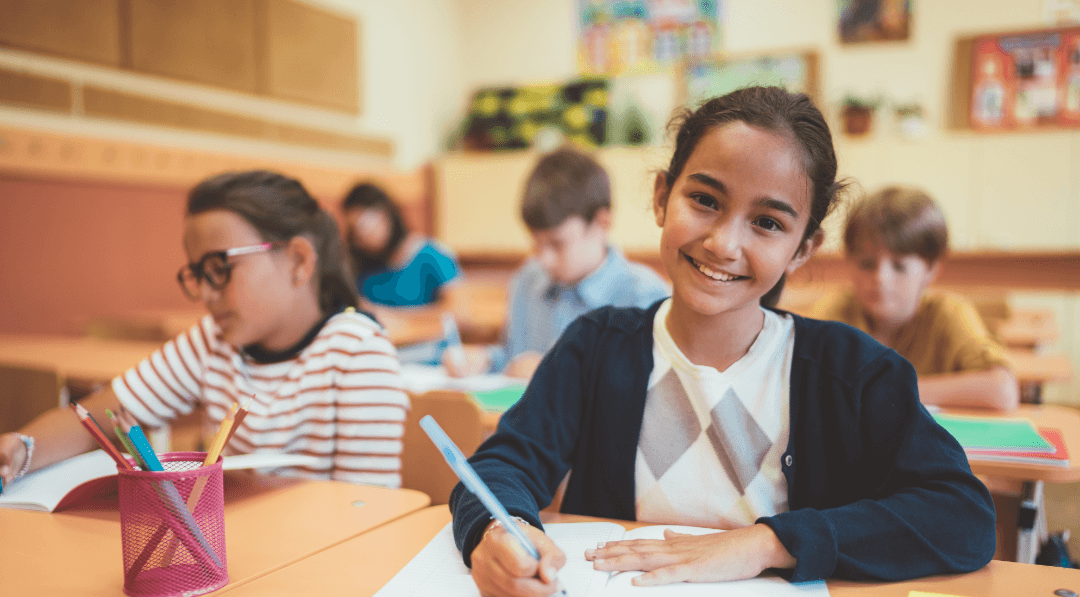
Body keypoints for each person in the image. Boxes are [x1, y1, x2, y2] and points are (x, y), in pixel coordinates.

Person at [449, 87, 996, 597]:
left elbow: (961, 515)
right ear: (662, 197)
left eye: (767, 222)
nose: (724, 243)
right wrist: (500, 529)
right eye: (705, 200)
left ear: (803, 249)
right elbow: (502, 464)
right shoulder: (596, 347)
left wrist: (768, 543)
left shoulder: (851, 371)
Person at [0, 171, 407, 488]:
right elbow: (97, 418)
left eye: (221, 269)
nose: (207, 294)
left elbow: (366, 511)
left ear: (299, 261)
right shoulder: (212, 342)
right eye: (198, 274)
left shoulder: (358, 353)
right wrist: (21, 447)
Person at [443, 146, 670, 380]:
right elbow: (514, 357)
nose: (544, 259)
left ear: (602, 223)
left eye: (557, 244)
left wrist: (554, 370)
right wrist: (485, 360)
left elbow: (641, 383)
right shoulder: (527, 280)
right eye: (536, 244)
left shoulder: (643, 296)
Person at [811, 187, 1019, 411]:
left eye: (899, 266)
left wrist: (885, 389)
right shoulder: (837, 312)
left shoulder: (948, 312)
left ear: (931, 270)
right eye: (867, 264)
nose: (881, 278)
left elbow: (1003, 390)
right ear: (849, 263)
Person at [342, 182, 461, 308]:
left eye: (365, 226)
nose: (362, 238)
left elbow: (459, 310)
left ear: (385, 214)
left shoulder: (432, 254)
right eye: (355, 232)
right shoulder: (360, 263)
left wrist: (390, 316)